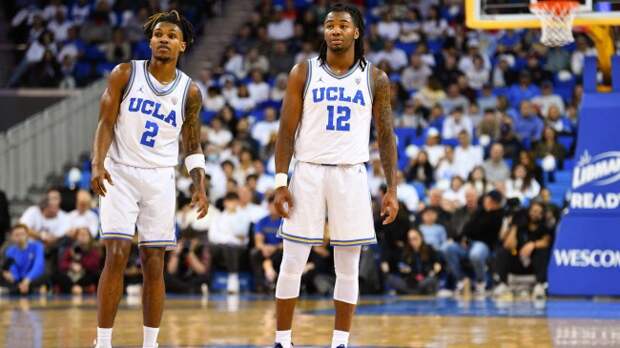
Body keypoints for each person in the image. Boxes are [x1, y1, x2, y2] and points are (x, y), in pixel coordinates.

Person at [272, 4, 398, 348]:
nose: (335, 31)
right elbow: (285, 132)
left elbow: (386, 137)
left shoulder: (375, 78)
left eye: (343, 25)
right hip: (308, 171)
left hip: (351, 174)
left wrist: (392, 189)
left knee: (347, 265)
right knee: (292, 260)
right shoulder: (304, 72)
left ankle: (340, 342)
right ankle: (282, 340)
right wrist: (281, 182)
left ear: (356, 32)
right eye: (330, 25)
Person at [89, 10, 209, 348]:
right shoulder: (125, 73)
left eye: (171, 36)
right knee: (116, 253)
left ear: (182, 45)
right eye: (158, 34)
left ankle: (151, 343)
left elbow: (193, 143)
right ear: (150, 40)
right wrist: (97, 164)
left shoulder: (190, 91)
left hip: (160, 179)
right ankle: (103, 341)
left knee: (154, 262)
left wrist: (199, 184)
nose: (164, 40)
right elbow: (105, 123)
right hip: (121, 172)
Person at [0, 224, 46, 295]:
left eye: (22, 234)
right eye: (17, 235)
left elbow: (38, 266)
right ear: (12, 237)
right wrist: (14, 278)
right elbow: (13, 268)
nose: (20, 237)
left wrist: (27, 280)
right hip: (19, 279)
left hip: (32, 277)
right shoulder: (10, 251)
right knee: (6, 276)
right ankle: (17, 289)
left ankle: (10, 290)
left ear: (27, 235)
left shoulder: (37, 246)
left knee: (43, 277)